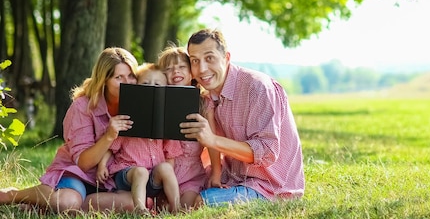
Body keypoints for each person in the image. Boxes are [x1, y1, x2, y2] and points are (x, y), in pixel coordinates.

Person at [0, 48, 138, 213]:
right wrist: (108, 136)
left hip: (111, 179)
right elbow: (84, 163)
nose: (127, 82)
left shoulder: (138, 106)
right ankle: (13, 195)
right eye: (119, 77)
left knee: (132, 203)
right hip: (78, 173)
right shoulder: (82, 107)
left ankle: (48, 205)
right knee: (67, 203)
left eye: (131, 76)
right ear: (104, 80)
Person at [180, 28, 305, 206]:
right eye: (195, 61)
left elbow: (267, 152)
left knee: (201, 202)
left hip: (269, 187)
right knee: (180, 192)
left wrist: (212, 140)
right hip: (233, 177)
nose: (202, 69)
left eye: (210, 58)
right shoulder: (208, 98)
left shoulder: (257, 88)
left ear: (227, 58)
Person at [97, 63, 182, 214]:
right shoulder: (127, 119)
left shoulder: (165, 122)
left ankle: (177, 207)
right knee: (141, 172)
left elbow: (171, 156)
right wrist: (102, 165)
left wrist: (165, 176)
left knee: (166, 167)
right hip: (127, 175)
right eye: (145, 84)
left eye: (157, 85)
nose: (151, 88)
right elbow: (111, 147)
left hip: (152, 179)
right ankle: (140, 209)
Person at [157, 45, 222, 210]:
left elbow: (212, 142)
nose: (175, 72)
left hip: (191, 175)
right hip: (161, 175)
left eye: (181, 67)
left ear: (192, 73)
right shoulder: (157, 102)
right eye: (169, 69)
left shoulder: (203, 103)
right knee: (160, 209)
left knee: (185, 208)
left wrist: (216, 172)